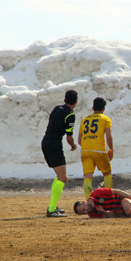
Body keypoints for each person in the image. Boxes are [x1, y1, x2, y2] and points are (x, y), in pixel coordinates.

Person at [41, 89, 78, 217]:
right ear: (76, 102)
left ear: (64, 100)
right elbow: (69, 137)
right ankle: (51, 210)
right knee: (63, 178)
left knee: (59, 177)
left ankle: (53, 205)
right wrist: (73, 146)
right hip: (54, 145)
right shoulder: (70, 115)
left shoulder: (57, 108)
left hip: (46, 141)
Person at [78, 97, 113, 198]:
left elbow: (80, 140)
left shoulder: (84, 120)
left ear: (93, 107)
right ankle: (107, 199)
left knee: (88, 177)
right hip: (98, 150)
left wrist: (88, 145)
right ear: (104, 109)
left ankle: (90, 201)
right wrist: (111, 149)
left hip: (85, 151)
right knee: (107, 174)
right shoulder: (106, 119)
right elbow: (109, 137)